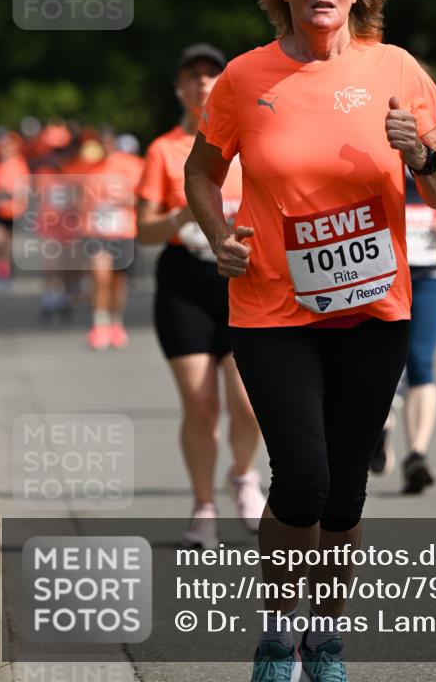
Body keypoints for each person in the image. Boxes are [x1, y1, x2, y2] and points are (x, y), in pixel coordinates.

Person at [184, 0, 436, 682]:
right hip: (272, 311)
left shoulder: (396, 70)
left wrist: (421, 159)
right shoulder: (244, 78)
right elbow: (201, 172)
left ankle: (326, 638)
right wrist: (218, 235)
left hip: (374, 311)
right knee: (300, 476)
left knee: (342, 493)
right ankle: (277, 635)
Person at [136, 44, 266, 549]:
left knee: (249, 404)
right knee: (200, 405)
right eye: (193, 77)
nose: (204, 84)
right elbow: (142, 231)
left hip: (244, 278)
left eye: (213, 75)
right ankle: (203, 504)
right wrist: (177, 217)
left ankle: (242, 476)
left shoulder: (249, 140)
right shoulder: (163, 150)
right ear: (180, 89)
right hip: (185, 282)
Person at [370, 144, 436, 492]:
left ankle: (417, 457)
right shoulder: (365, 139)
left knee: (421, 360)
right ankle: (380, 425)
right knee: (380, 360)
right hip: (381, 273)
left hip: (431, 272)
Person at [83, 127, 144, 350]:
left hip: (123, 230)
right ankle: (99, 324)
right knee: (100, 277)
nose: (104, 148)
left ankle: (116, 323)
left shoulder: (130, 165)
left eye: (107, 143)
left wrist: (123, 198)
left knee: (118, 281)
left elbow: (144, 195)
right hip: (96, 231)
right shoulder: (89, 168)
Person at [0, 131, 29, 286]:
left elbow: (23, 189)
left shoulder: (20, 164)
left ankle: (6, 271)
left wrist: (9, 194)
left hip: (13, 212)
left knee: (7, 245)